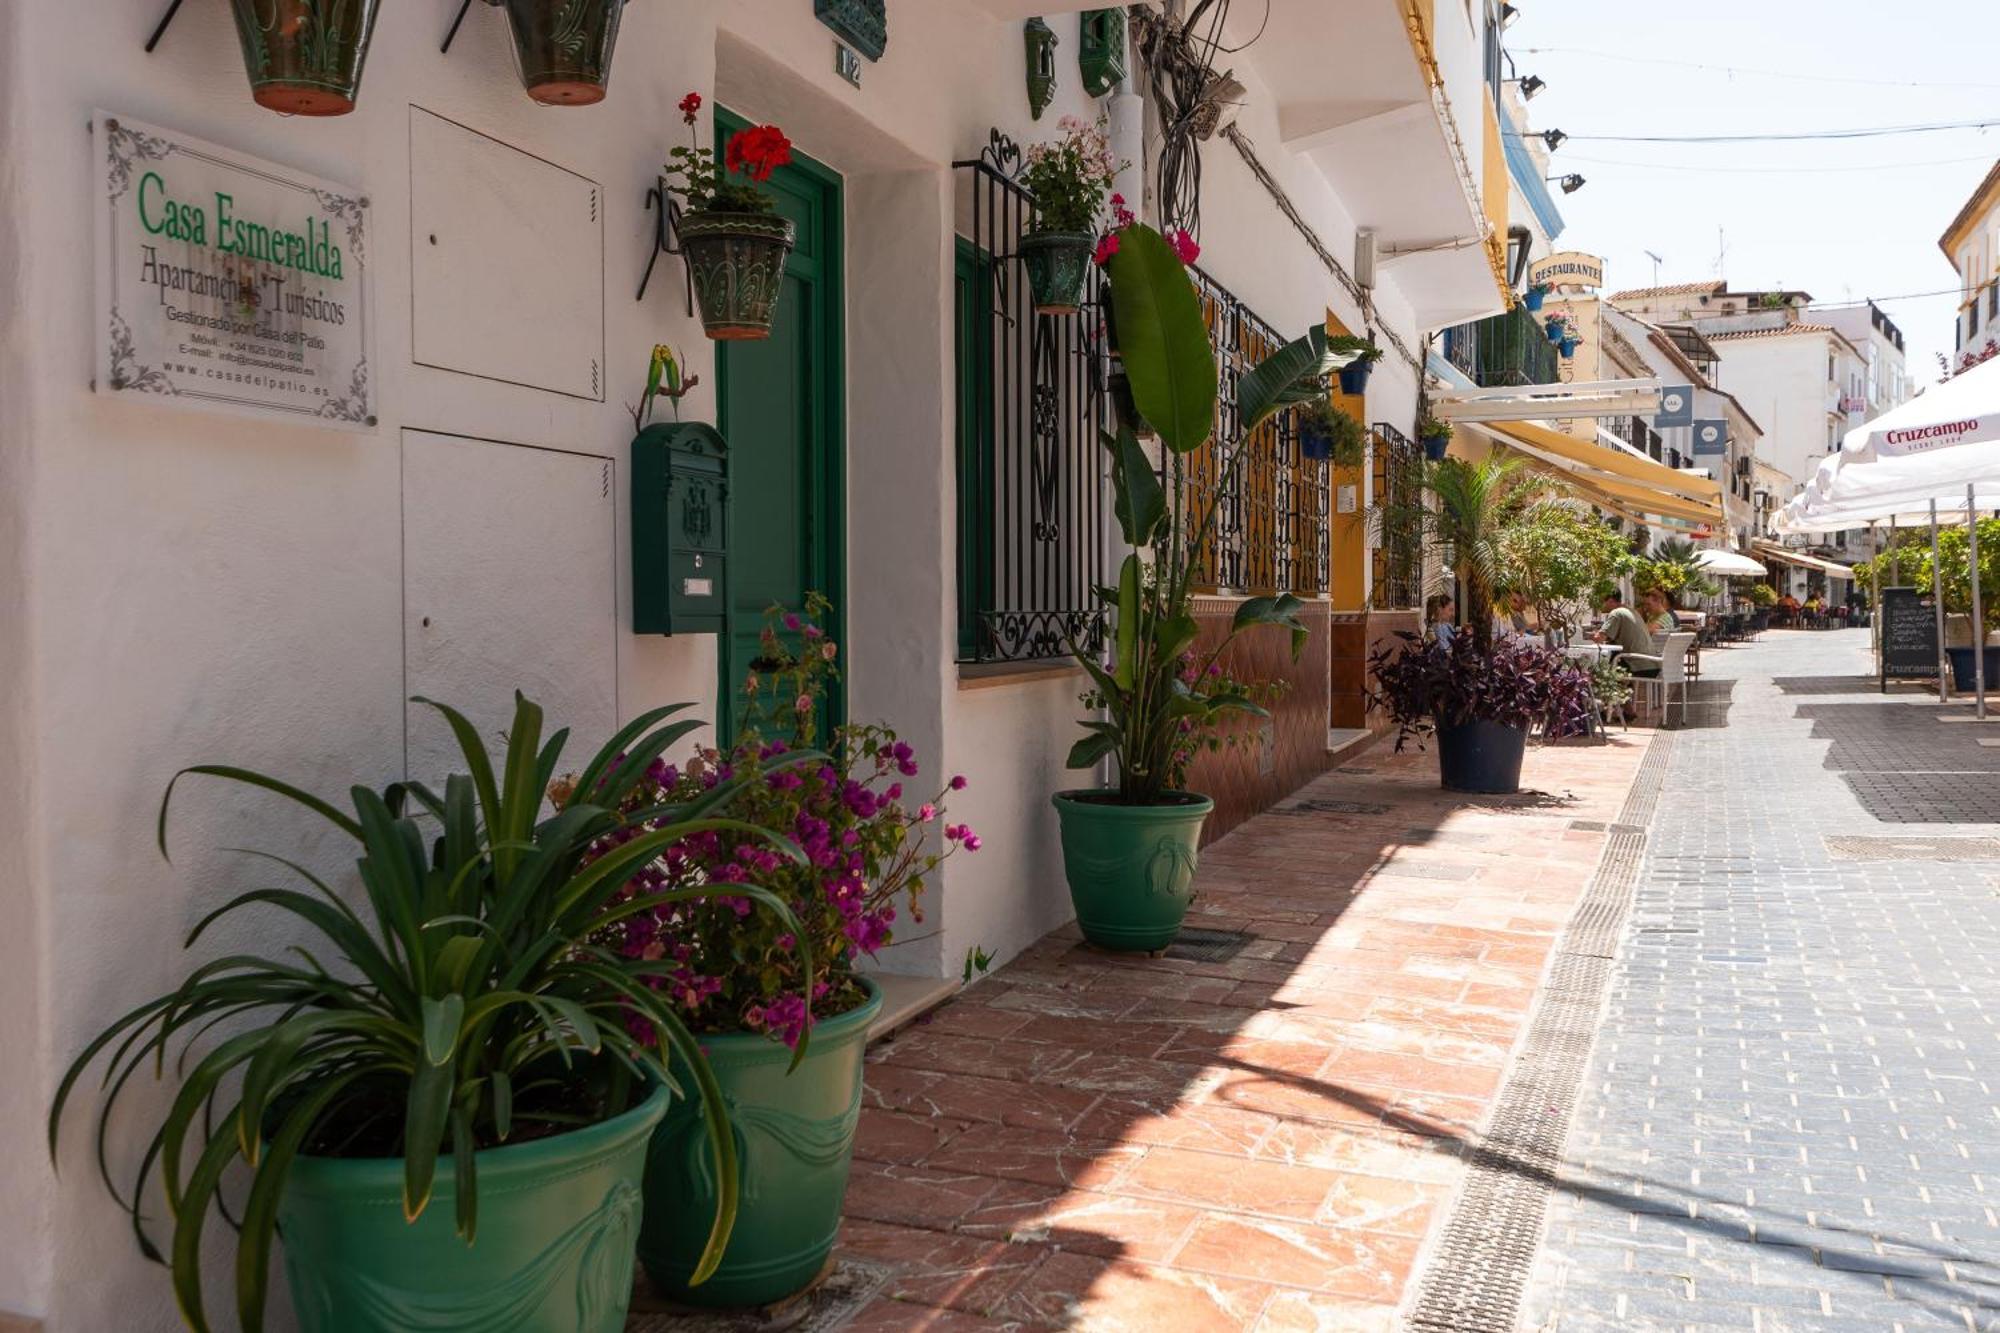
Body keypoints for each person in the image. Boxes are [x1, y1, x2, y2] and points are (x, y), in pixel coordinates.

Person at [1592, 591, 1659, 677]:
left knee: (1599, 672)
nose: (1599, 605)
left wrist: (1588, 635)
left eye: (1601, 601)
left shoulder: (1616, 613)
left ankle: (1609, 689)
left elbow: (1599, 639)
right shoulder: (1631, 611)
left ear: (1611, 601)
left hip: (1637, 664)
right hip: (1652, 663)